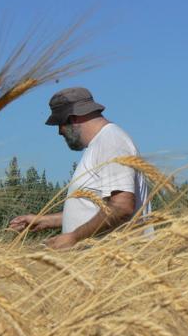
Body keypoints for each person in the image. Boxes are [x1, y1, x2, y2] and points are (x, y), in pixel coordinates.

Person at [9, 87, 150, 249]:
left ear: (73, 118)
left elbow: (121, 207)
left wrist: (74, 237)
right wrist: (45, 221)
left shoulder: (111, 141)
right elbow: (96, 210)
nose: (59, 133)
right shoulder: (100, 144)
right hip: (101, 265)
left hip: (115, 265)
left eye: (59, 124)